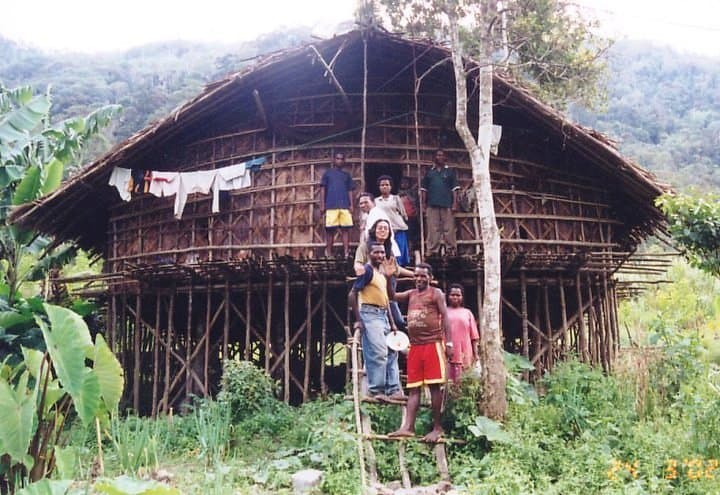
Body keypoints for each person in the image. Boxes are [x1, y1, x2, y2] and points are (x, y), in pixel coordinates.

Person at [389, 263, 452, 442]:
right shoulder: (411, 294)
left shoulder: (436, 293)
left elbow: (445, 317)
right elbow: (391, 296)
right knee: (413, 388)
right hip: (415, 346)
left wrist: (449, 342)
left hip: (432, 344)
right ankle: (408, 427)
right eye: (416, 276)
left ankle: (437, 427)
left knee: (434, 387)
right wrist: (388, 277)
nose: (419, 279)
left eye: (423, 276)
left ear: (430, 278)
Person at [348, 241, 403, 401]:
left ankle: (394, 390)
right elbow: (352, 294)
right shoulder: (367, 271)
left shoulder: (381, 274)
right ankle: (376, 390)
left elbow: (387, 299)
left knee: (392, 352)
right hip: (370, 314)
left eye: (382, 253)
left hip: (383, 315)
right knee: (379, 353)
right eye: (376, 252)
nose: (380, 255)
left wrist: (392, 323)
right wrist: (358, 320)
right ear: (369, 254)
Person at [421, 149, 459, 256]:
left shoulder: (450, 172)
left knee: (449, 228)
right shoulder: (429, 173)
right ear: (435, 157)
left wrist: (455, 203)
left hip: (447, 204)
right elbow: (424, 190)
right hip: (432, 204)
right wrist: (423, 204)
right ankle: (433, 250)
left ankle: (451, 249)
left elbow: (455, 190)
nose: (440, 157)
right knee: (433, 228)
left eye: (442, 155)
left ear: (445, 158)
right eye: (438, 155)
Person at [320, 152, 355, 257]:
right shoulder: (328, 174)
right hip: (331, 205)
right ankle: (329, 253)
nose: (339, 161)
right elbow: (323, 189)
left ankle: (346, 253)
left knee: (345, 229)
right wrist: (322, 204)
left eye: (341, 159)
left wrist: (351, 205)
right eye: (337, 158)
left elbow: (350, 190)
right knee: (330, 230)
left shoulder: (346, 175)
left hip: (344, 205)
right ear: (334, 160)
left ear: (344, 161)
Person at [446, 284, 480, 382]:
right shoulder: (443, 313)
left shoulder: (467, 313)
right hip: (448, 353)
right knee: (448, 384)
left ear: (462, 297)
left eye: (458, 295)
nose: (455, 297)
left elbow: (474, 337)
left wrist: (476, 355)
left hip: (465, 353)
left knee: (464, 383)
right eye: (452, 295)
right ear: (448, 296)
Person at [375, 175, 410, 266]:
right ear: (379, 187)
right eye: (382, 185)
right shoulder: (376, 201)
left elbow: (403, 214)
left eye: (387, 184)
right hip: (384, 230)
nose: (384, 187)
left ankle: (399, 268)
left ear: (391, 187)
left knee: (399, 250)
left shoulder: (396, 198)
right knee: (387, 249)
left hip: (397, 228)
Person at [398, 176, 419, 256]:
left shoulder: (412, 193)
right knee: (404, 236)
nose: (404, 184)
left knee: (411, 236)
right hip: (401, 218)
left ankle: (410, 252)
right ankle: (405, 252)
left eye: (406, 183)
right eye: (403, 183)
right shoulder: (398, 194)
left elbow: (414, 201)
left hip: (411, 217)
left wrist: (407, 194)